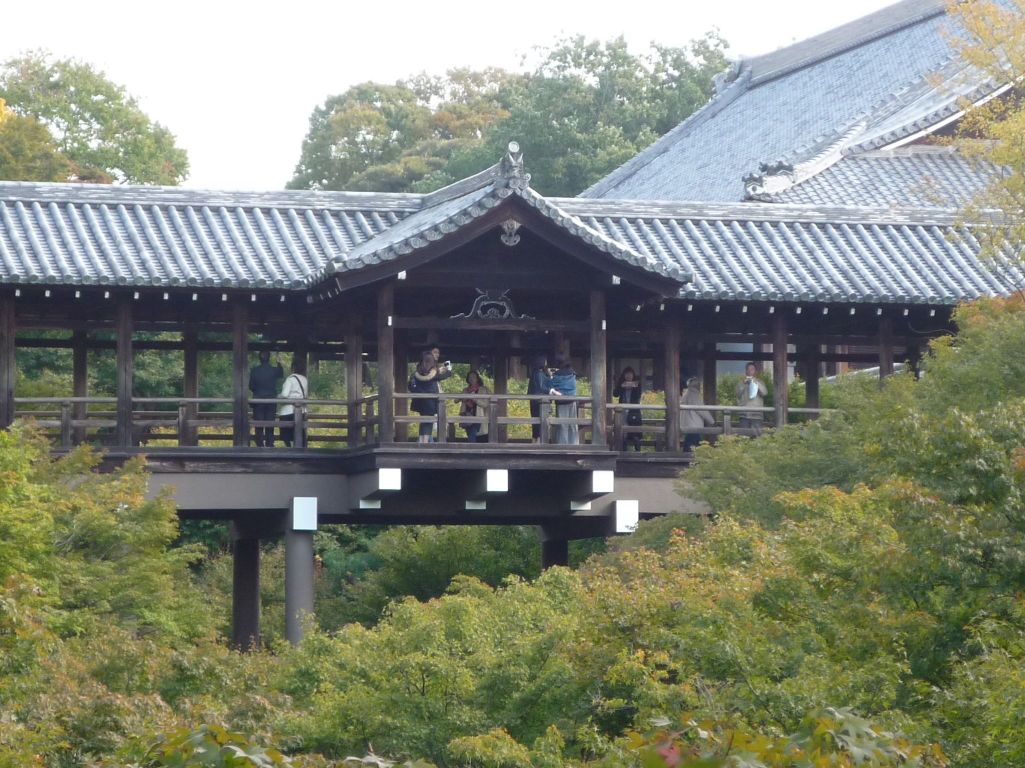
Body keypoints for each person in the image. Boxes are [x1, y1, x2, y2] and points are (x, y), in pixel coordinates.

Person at [409, 349, 453, 443]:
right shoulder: (433, 373)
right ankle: (425, 442)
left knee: (423, 420)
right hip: (430, 402)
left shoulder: (417, 373)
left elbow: (410, 385)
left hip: (420, 402)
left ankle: (421, 440)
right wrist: (449, 370)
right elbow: (444, 376)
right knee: (428, 421)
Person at [249, 351, 283, 447]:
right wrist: (279, 363)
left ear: (259, 359)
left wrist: (257, 391)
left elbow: (251, 386)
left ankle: (259, 443)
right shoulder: (274, 370)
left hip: (258, 400)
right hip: (271, 400)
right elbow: (281, 374)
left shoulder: (254, 370)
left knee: (258, 422)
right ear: (269, 358)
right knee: (270, 422)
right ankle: (270, 443)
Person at [544, 354, 578, 445]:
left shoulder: (557, 375)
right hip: (572, 400)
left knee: (562, 424)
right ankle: (574, 443)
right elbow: (573, 387)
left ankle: (562, 444)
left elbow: (551, 385)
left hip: (561, 402)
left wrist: (550, 376)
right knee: (573, 424)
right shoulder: (572, 373)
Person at [277, 360, 309, 448]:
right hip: (302, 410)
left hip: (288, 410)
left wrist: (278, 396)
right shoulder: (304, 379)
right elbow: (305, 395)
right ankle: (300, 448)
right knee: (299, 431)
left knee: (286, 433)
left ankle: (289, 448)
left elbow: (285, 394)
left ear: (293, 368)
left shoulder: (290, 379)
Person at [613, 367, 643, 451]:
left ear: (633, 375)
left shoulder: (637, 384)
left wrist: (634, 386)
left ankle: (637, 448)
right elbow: (615, 394)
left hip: (633, 410)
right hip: (622, 410)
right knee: (622, 429)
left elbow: (638, 395)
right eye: (626, 374)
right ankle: (623, 448)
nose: (628, 376)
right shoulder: (621, 383)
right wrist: (621, 386)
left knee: (635, 429)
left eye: (630, 374)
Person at [682, 376, 715, 451]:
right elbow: (701, 410)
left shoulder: (686, 394)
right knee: (694, 445)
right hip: (694, 425)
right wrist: (711, 421)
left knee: (690, 444)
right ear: (696, 386)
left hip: (687, 424)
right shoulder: (695, 395)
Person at [735, 362, 768, 437]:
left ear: (756, 371)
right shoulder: (741, 383)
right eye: (748, 369)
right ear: (746, 371)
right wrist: (744, 384)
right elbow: (737, 394)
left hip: (757, 415)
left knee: (757, 438)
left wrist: (755, 382)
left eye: (752, 369)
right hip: (744, 415)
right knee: (743, 437)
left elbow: (765, 393)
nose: (750, 371)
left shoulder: (760, 382)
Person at [458, 369, 490, 443]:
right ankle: (472, 448)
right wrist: (464, 398)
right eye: (470, 377)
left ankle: (471, 449)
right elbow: (456, 400)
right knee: (470, 434)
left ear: (477, 378)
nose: (471, 379)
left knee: (473, 434)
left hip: (478, 415)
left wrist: (474, 399)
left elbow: (485, 404)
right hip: (466, 415)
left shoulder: (483, 389)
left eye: (473, 377)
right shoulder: (465, 390)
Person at [527, 355, 549, 443]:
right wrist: (550, 390)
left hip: (533, 401)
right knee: (541, 421)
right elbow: (541, 388)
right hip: (539, 401)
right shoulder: (539, 374)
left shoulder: (534, 373)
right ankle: (540, 441)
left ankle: (535, 440)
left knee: (535, 421)